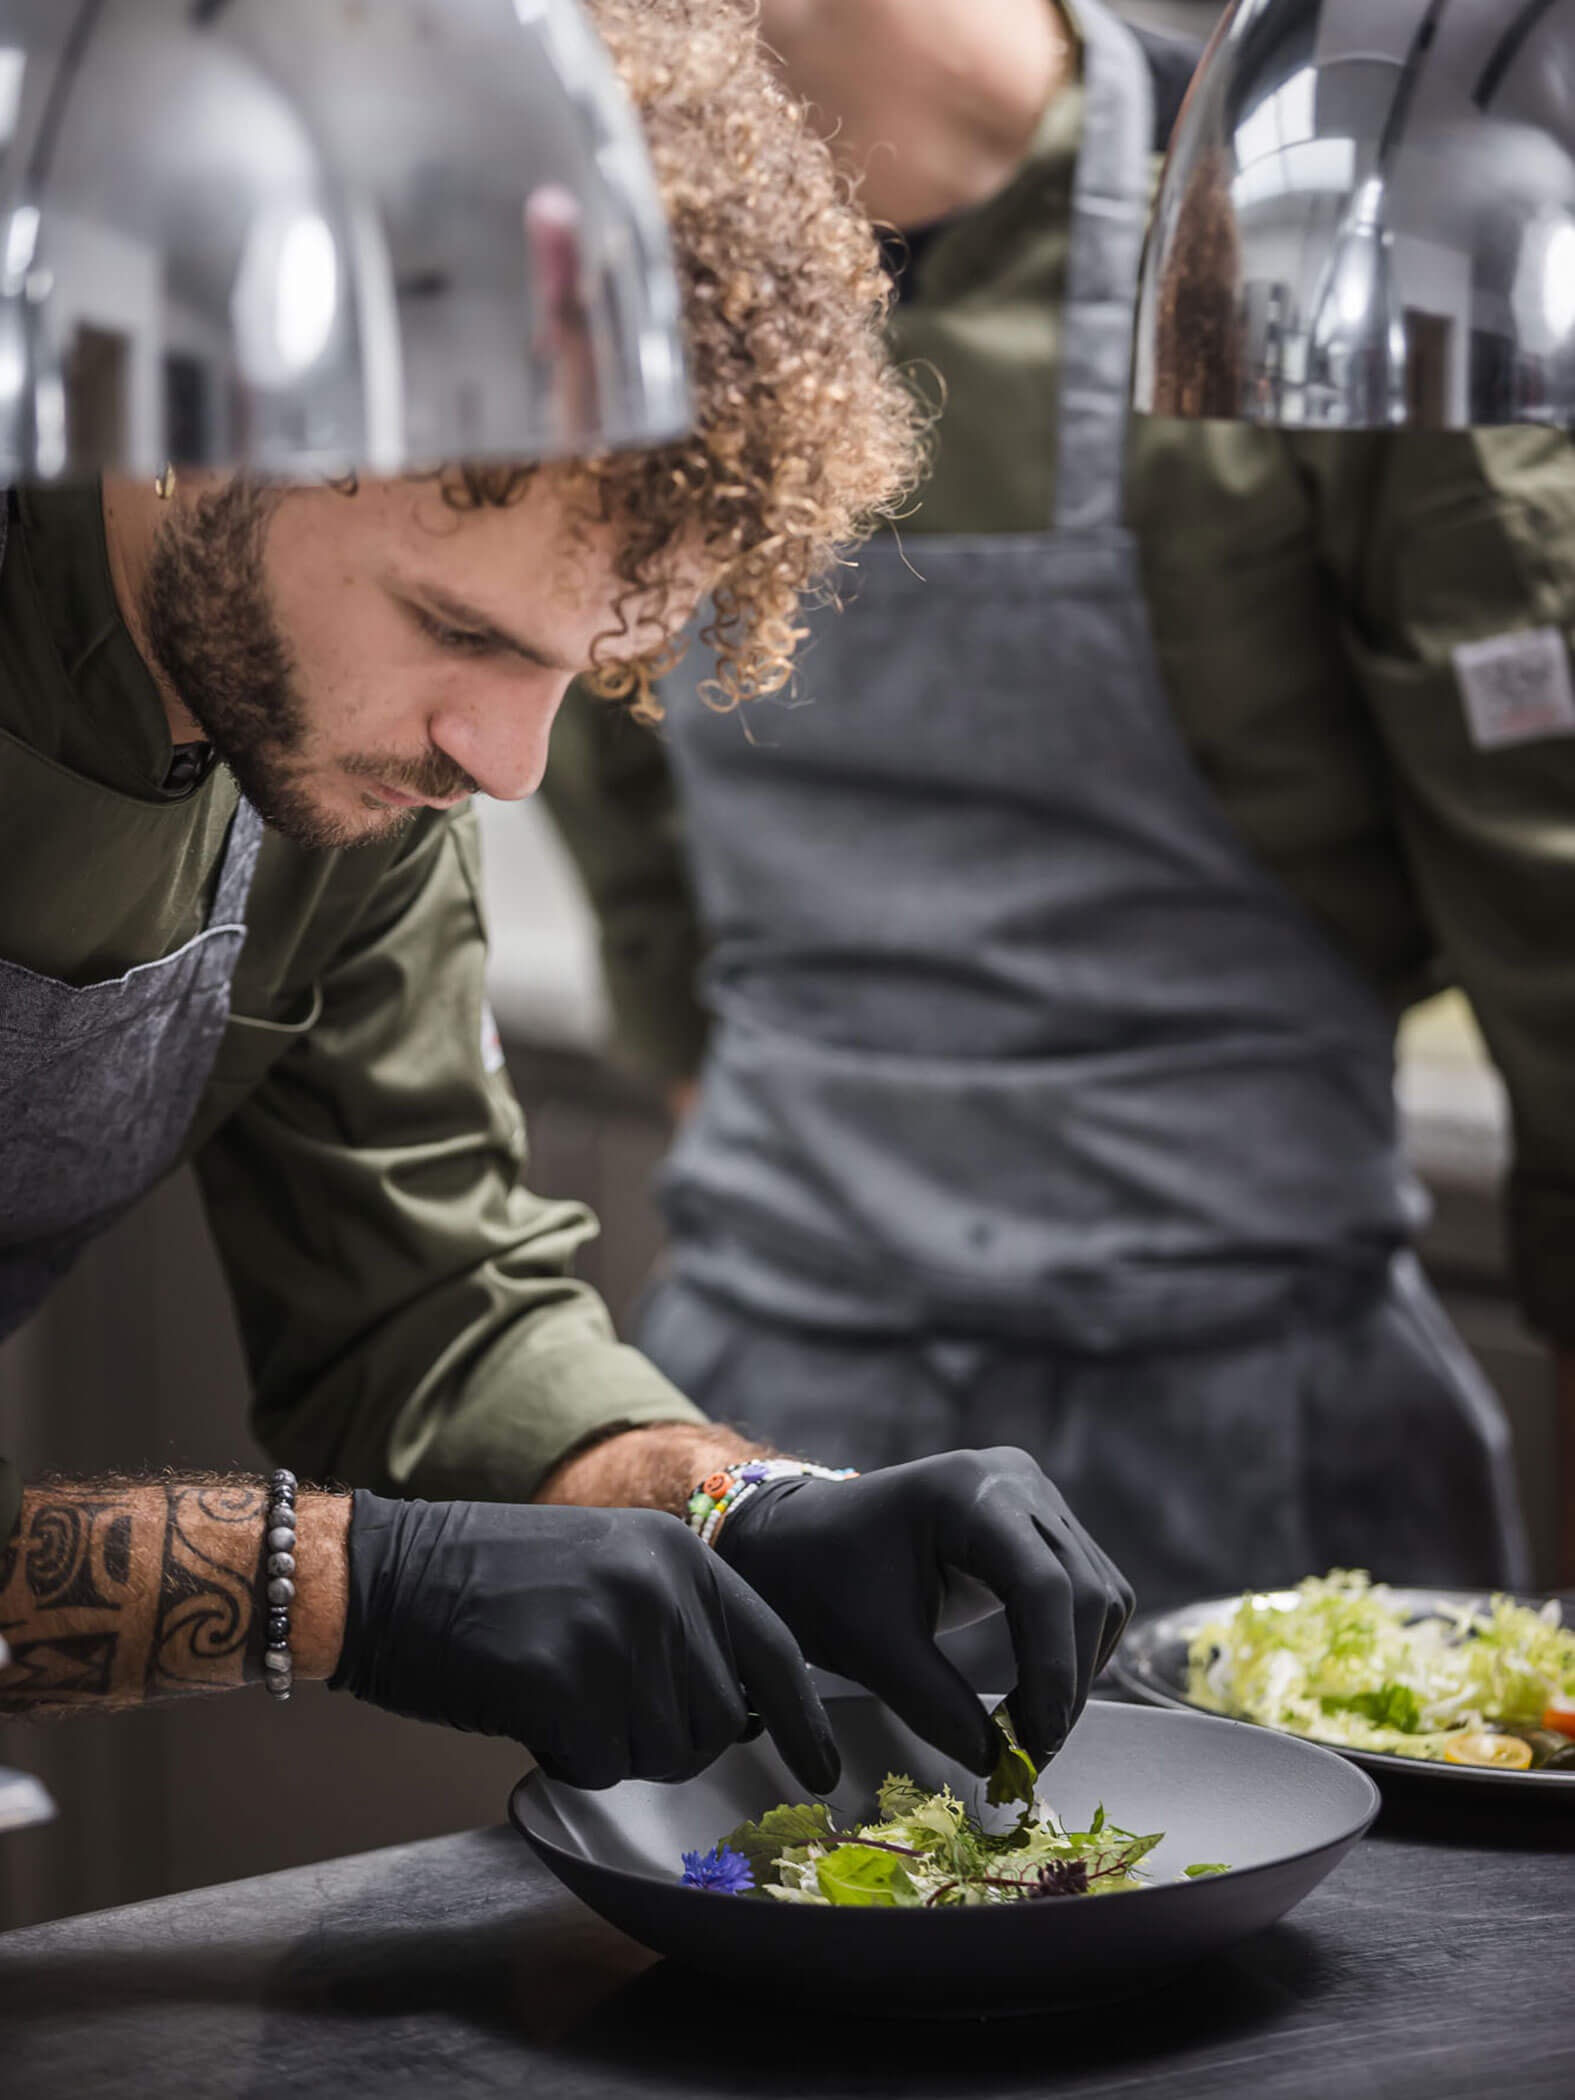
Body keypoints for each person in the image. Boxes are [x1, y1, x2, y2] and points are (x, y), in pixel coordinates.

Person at [0, 0, 1133, 1789]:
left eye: (579, 670)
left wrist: (743, 1503)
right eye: (457, 628)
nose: (506, 761)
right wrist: (343, 1589)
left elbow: (427, 1318)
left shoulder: (353, 760)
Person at [544, 0, 1568, 1609]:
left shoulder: (1314, 232)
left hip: (1258, 1451)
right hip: (767, 1413)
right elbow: (613, 812)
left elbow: (1555, 926)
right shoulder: (594, 263)